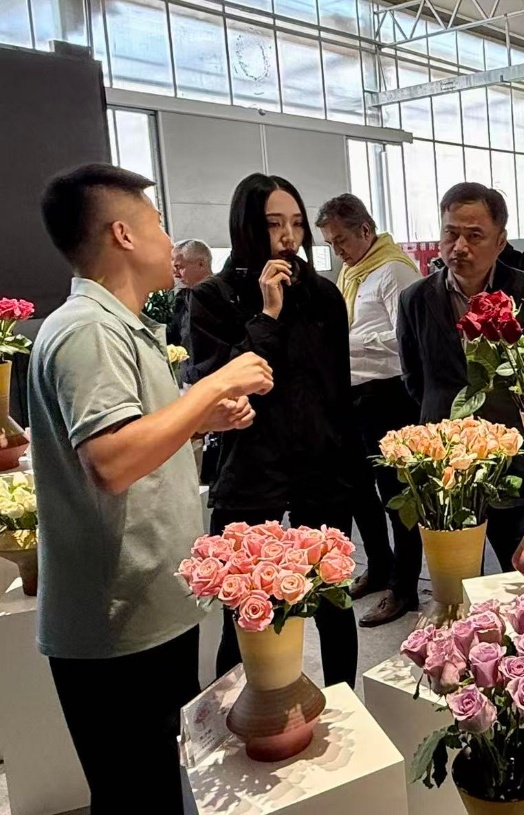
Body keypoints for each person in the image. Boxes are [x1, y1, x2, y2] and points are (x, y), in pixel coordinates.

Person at [31, 164, 273, 814]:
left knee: (157, 787)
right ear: (123, 234)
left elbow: (137, 439)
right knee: (137, 793)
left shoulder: (115, 325)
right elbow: (110, 461)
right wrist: (212, 386)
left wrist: (202, 417)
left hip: (146, 609)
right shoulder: (88, 329)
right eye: (158, 223)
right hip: (117, 623)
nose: (171, 241)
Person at [188, 173, 360, 689]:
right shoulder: (213, 298)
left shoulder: (323, 295)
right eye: (273, 224)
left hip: (322, 470)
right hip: (250, 470)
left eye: (298, 224)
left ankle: (343, 708)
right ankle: (233, 719)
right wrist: (267, 314)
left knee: (333, 606)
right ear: (246, 228)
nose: (289, 237)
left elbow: (338, 390)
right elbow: (222, 387)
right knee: (243, 613)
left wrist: (351, 470)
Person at [396, 182, 524, 576]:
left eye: (474, 236)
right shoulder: (415, 299)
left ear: (500, 241)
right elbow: (414, 378)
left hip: (514, 459)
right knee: (456, 579)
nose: (459, 247)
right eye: (451, 233)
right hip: (446, 462)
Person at [316, 193, 423, 627]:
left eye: (340, 240)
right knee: (360, 491)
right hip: (353, 395)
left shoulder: (394, 271)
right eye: (330, 243)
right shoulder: (353, 273)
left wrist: (349, 343)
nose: (336, 251)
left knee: (397, 497)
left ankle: (405, 588)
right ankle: (379, 566)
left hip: (389, 396)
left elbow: (407, 338)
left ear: (365, 229)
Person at [167, 239, 212, 383]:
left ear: (201, 264)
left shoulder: (222, 295)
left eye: (179, 267)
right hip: (188, 377)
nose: (176, 274)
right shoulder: (182, 298)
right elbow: (174, 336)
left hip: (215, 377)